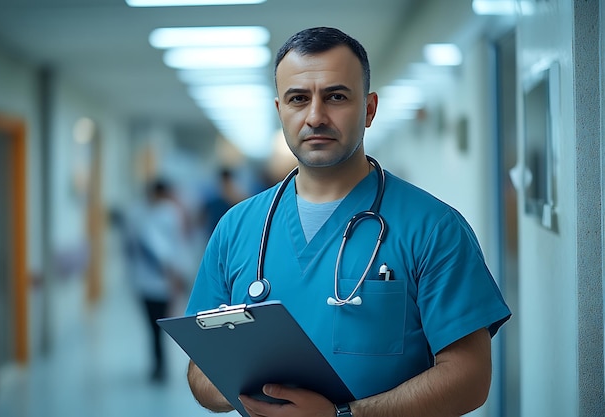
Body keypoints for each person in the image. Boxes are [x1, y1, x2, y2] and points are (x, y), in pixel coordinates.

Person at [185, 27, 511, 417]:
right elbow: (199, 372)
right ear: (280, 111)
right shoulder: (235, 228)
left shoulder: (434, 227)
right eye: (298, 99)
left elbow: (470, 378)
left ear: (370, 109)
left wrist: (343, 415)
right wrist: (257, 390)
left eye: (336, 97)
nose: (315, 116)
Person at [125, 178, 186, 382]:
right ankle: (159, 365)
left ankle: (160, 365)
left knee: (156, 327)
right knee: (155, 327)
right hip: (153, 279)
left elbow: (174, 246)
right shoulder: (149, 214)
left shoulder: (163, 213)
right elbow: (139, 248)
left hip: (158, 280)